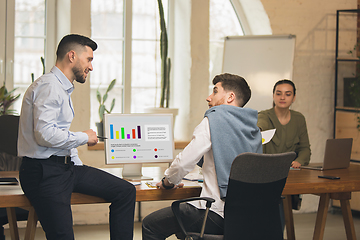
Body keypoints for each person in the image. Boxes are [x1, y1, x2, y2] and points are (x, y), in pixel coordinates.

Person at [17, 34, 136, 240]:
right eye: (89, 59)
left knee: (125, 191)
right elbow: (44, 135)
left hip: (66, 167)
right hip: (44, 173)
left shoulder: (61, 88)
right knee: (63, 236)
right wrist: (84, 137)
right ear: (72, 56)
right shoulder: (49, 86)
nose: (91, 67)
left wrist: (76, 162)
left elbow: (59, 133)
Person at [142, 73, 262, 240]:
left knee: (150, 225)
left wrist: (168, 181)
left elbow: (184, 162)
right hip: (247, 217)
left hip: (214, 213)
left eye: (214, 91)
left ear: (230, 97)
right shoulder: (251, 128)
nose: (208, 97)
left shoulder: (213, 120)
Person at [257, 79, 311, 232]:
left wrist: (299, 161)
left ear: (293, 98)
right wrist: (258, 129)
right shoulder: (265, 115)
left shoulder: (299, 119)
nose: (282, 97)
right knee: (274, 208)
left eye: (288, 94)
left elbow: (305, 148)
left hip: (289, 175)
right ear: (273, 96)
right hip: (265, 176)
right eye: (278, 93)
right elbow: (261, 125)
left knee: (281, 207)